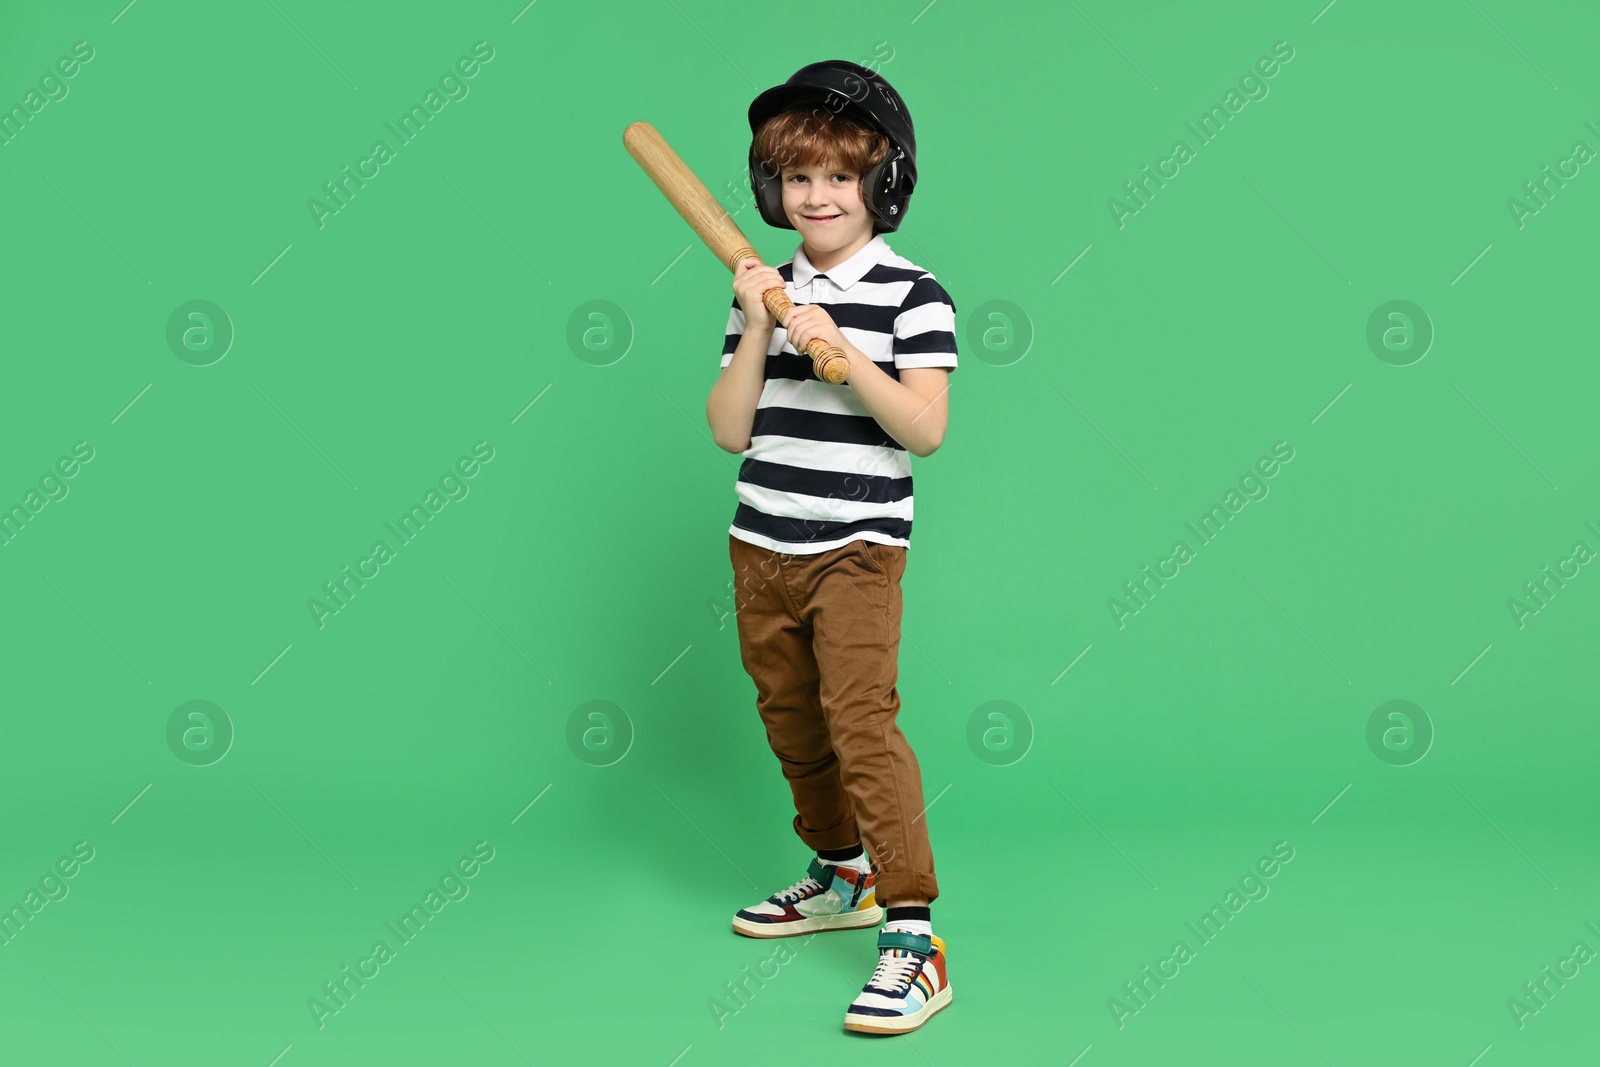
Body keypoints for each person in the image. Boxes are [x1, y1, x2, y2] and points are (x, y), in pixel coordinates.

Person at [704, 59, 958, 1035]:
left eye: (839, 177)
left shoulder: (913, 294)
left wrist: (843, 354)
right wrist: (761, 323)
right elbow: (731, 428)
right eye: (797, 176)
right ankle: (841, 869)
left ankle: (912, 932)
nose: (816, 196)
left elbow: (923, 431)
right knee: (789, 720)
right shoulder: (760, 294)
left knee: (860, 723)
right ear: (774, 187)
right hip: (758, 539)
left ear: (880, 185)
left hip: (855, 546)